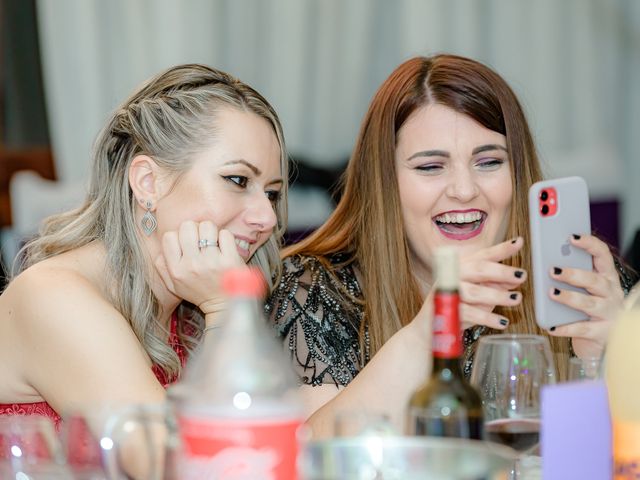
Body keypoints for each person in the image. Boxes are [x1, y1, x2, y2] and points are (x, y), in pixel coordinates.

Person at [266, 54, 636, 437]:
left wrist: (613, 361)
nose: (464, 190)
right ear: (385, 183)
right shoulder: (313, 291)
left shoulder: (592, 285)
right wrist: (424, 334)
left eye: (489, 162)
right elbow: (308, 457)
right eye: (430, 167)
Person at [0, 64, 288, 430]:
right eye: (237, 179)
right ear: (148, 182)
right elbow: (180, 463)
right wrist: (224, 309)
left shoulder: (189, 305)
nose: (268, 218)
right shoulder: (52, 297)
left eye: (272, 193)